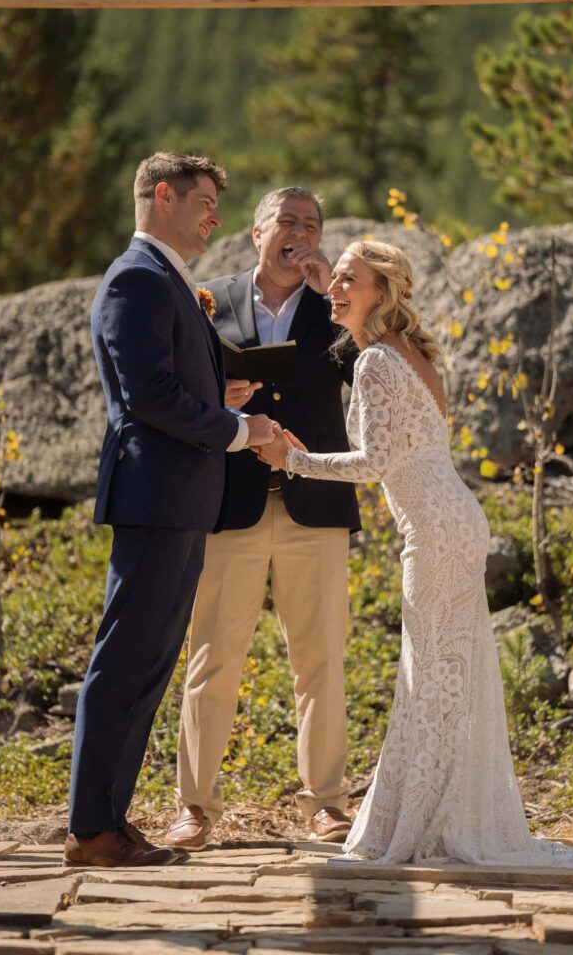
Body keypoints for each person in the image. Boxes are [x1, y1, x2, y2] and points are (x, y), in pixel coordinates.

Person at [255, 239, 573, 867]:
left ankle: (426, 824)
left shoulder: (375, 365)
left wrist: (294, 460)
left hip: (436, 533)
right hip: (452, 521)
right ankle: (442, 816)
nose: (335, 288)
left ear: (382, 291)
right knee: (447, 677)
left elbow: (374, 464)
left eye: (349, 280)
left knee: (432, 678)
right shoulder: (407, 353)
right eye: (333, 279)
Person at [64, 152, 276, 868]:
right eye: (205, 201)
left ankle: (109, 821)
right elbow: (147, 397)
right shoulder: (136, 278)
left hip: (180, 498)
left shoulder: (165, 281)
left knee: (149, 663)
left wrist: (217, 400)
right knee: (124, 662)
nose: (215, 216)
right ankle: (91, 830)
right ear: (162, 195)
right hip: (155, 496)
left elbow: (165, 386)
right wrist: (238, 430)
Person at [164, 187, 361, 851]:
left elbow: (373, 375)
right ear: (256, 232)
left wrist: (334, 287)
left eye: (311, 223)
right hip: (230, 504)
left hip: (318, 505)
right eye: (288, 221)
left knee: (321, 659)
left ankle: (326, 803)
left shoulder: (339, 308)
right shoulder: (208, 299)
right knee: (212, 659)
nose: (299, 232)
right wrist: (215, 398)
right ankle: (194, 807)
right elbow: (176, 393)